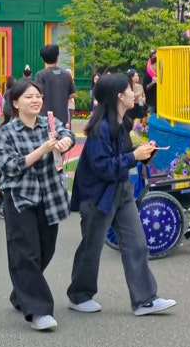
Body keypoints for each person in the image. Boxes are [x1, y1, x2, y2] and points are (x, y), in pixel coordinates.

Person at [66, 72, 176, 317]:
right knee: (91, 247)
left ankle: (145, 299)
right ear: (118, 96)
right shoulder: (100, 129)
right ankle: (79, 295)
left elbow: (120, 160)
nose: (134, 94)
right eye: (129, 90)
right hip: (98, 195)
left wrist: (142, 153)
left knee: (137, 243)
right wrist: (132, 157)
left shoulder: (121, 123)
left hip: (121, 190)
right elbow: (102, 166)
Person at [0, 79, 75, 331]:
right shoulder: (5, 132)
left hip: (49, 196)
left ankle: (21, 293)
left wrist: (65, 141)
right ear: (15, 103)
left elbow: (66, 132)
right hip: (20, 197)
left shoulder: (50, 123)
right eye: (28, 97)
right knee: (25, 253)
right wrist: (41, 150)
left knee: (45, 250)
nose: (36, 100)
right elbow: (6, 166)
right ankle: (39, 311)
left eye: (38, 95)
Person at [34, 44, 75, 126]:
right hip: (62, 118)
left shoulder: (41, 74)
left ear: (43, 59)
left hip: (45, 118)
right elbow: (73, 94)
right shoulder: (67, 74)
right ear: (57, 57)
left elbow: (39, 94)